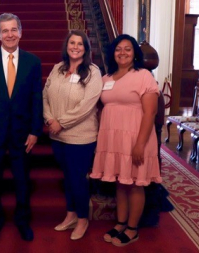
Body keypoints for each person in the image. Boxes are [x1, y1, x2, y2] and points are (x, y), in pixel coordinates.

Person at [0, 13, 43, 242]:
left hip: (22, 133)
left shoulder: (33, 62)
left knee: (22, 179)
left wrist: (35, 130)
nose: (10, 34)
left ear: (20, 32)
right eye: (5, 30)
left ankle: (22, 221)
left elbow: (36, 98)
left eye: (14, 30)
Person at [90, 34, 162, 247]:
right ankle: (121, 223)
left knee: (136, 185)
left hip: (135, 138)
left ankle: (132, 229)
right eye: (118, 49)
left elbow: (150, 114)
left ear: (134, 53)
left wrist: (140, 143)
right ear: (113, 53)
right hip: (113, 140)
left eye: (127, 49)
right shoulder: (106, 78)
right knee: (121, 183)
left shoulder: (143, 76)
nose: (123, 52)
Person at [43, 30, 102, 240]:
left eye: (80, 44)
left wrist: (62, 122)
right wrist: (50, 120)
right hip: (57, 137)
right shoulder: (58, 68)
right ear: (66, 46)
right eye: (72, 43)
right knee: (67, 178)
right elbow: (45, 96)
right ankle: (70, 215)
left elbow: (87, 105)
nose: (75, 47)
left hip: (81, 137)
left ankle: (83, 219)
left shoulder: (93, 72)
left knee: (77, 179)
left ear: (86, 48)